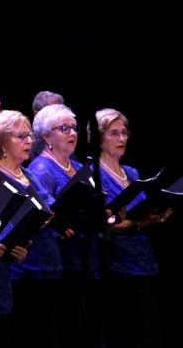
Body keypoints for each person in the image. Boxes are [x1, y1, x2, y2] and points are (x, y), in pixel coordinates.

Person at [0, 110, 60, 348]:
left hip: (31, 262)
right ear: (1, 143)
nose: (28, 141)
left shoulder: (28, 173)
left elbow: (48, 210)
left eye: (29, 135)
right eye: (21, 136)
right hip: (4, 271)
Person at [95, 108, 170, 348]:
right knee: (129, 331)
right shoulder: (94, 175)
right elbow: (103, 224)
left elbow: (138, 211)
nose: (122, 139)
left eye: (124, 133)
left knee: (150, 329)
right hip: (117, 264)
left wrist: (154, 213)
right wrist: (138, 224)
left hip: (143, 258)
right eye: (114, 133)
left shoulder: (131, 173)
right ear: (99, 138)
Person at [28, 104, 99, 348]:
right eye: (64, 128)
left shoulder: (79, 167)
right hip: (59, 257)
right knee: (69, 324)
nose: (72, 133)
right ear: (46, 136)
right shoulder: (40, 169)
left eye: (74, 128)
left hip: (84, 252)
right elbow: (44, 216)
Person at [27, 90, 66, 164]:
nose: (61, 117)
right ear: (37, 115)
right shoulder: (26, 146)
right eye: (54, 112)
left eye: (62, 111)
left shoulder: (66, 139)